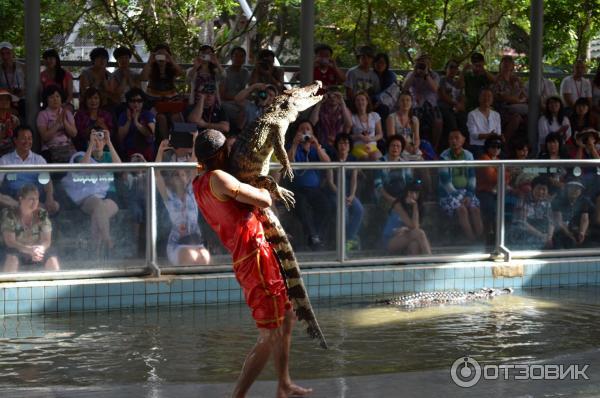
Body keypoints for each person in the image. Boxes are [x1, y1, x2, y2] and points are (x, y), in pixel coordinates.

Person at [192, 129, 312, 398]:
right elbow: (265, 199)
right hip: (254, 257)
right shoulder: (219, 178)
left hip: (257, 253)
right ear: (222, 154)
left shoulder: (198, 182)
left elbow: (201, 158)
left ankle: (284, 383)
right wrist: (261, 178)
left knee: (287, 315)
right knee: (269, 335)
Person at [61, 130, 121, 256]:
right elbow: (83, 168)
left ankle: (95, 254)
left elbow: (120, 167)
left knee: (98, 214)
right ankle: (108, 240)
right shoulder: (81, 155)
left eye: (100, 139)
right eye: (94, 139)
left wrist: (109, 143)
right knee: (98, 206)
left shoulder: (109, 155)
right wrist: (90, 145)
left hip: (110, 195)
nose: (97, 142)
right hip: (88, 196)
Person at [155, 139, 210, 266]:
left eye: (184, 174)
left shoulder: (192, 191)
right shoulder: (169, 196)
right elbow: (157, 173)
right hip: (178, 243)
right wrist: (160, 151)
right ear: (171, 180)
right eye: (176, 175)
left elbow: (194, 165)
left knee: (205, 259)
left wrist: (195, 140)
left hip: (196, 241)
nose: (181, 176)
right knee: (188, 256)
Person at [287, 120, 333, 249]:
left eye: (308, 129)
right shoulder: (292, 146)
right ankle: (312, 236)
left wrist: (317, 145)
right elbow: (288, 162)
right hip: (297, 189)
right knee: (302, 205)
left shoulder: (315, 148)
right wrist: (295, 144)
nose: (305, 131)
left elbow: (328, 162)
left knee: (326, 206)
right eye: (302, 129)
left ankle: (318, 235)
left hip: (314, 189)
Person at [0, 126, 60, 214]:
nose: (27, 142)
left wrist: (49, 198)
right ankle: (30, 209)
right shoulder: (4, 160)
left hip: (35, 201)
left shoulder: (39, 160)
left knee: (55, 206)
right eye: (24, 138)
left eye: (30, 138)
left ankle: (34, 209)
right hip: (14, 203)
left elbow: (47, 182)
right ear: (15, 140)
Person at [1, 183, 59, 272]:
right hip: (18, 249)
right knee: (11, 259)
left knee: (52, 260)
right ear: (21, 199)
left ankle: (56, 284)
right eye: (31, 199)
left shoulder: (41, 213)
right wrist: (28, 250)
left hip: (37, 250)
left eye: (36, 199)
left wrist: (40, 249)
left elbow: (47, 240)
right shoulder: (10, 214)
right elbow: (10, 242)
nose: (35, 202)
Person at [438, 129, 483, 242]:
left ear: (463, 140)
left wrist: (469, 194)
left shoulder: (469, 155)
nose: (453, 141)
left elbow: (472, 177)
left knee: (475, 210)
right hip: (448, 194)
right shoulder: (444, 156)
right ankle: (471, 240)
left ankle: (481, 239)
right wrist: (459, 196)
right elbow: (445, 181)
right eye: (451, 138)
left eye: (457, 138)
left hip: (466, 192)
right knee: (461, 210)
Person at [325, 133, 364, 251]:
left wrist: (352, 195)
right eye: (341, 143)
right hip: (335, 193)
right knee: (344, 213)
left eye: (346, 143)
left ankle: (349, 239)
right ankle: (343, 242)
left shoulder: (353, 159)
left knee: (359, 209)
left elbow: (354, 180)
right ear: (337, 145)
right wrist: (342, 195)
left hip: (348, 194)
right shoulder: (331, 158)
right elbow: (330, 182)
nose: (344, 146)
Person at [403, 54, 443, 151]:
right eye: (419, 62)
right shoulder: (411, 74)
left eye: (424, 62)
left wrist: (426, 75)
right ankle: (414, 145)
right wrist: (414, 72)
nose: (422, 64)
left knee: (438, 121)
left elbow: (435, 89)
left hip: (431, 105)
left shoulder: (434, 75)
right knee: (413, 120)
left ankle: (434, 147)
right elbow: (404, 87)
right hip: (415, 105)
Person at [381, 179, 432, 255]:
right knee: (420, 233)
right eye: (411, 192)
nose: (414, 195)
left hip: (405, 235)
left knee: (414, 245)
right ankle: (431, 261)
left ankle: (416, 266)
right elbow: (414, 227)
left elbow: (415, 227)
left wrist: (415, 207)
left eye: (416, 193)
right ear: (406, 192)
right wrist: (415, 206)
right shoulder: (398, 205)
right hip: (391, 238)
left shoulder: (418, 207)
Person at [509, 175, 554, 249]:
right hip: (521, 237)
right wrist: (541, 235)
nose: (540, 192)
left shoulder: (546, 202)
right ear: (532, 188)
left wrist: (549, 237)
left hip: (541, 236)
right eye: (538, 188)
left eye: (544, 189)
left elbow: (551, 222)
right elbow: (521, 223)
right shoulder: (523, 200)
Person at [36, 85, 77, 163]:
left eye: (57, 96)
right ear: (46, 99)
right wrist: (57, 124)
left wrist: (64, 121)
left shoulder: (67, 113)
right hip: (50, 149)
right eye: (51, 97)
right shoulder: (42, 114)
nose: (55, 99)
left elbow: (74, 133)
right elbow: (44, 137)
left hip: (68, 148)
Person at [492, 55, 527, 143]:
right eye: (505, 63)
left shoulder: (515, 80)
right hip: (501, 109)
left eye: (509, 63)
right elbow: (502, 97)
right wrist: (518, 100)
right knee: (516, 118)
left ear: (512, 66)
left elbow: (524, 94)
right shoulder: (497, 80)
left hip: (517, 107)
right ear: (500, 66)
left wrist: (519, 99)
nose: (507, 65)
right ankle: (504, 143)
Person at [117, 88, 156, 161]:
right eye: (132, 101)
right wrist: (129, 121)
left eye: (139, 101)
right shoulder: (124, 115)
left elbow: (151, 133)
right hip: (128, 152)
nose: (136, 104)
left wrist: (136, 123)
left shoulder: (148, 114)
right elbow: (120, 137)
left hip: (146, 152)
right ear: (128, 102)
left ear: (143, 102)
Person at [309, 86, 352, 153]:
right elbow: (312, 123)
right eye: (329, 96)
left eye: (336, 96)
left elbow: (349, 124)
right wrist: (320, 102)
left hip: (339, 145)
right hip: (322, 144)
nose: (333, 98)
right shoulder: (320, 109)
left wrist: (342, 101)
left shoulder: (344, 110)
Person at [374, 135, 413, 207]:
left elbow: (409, 182)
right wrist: (391, 199)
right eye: (393, 145)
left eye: (398, 146)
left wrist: (407, 197)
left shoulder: (405, 163)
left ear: (401, 149)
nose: (395, 148)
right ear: (388, 147)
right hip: (384, 197)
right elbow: (378, 185)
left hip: (401, 196)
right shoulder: (379, 162)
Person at [552, 179, 592, 248]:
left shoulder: (584, 201)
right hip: (561, 232)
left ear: (581, 191)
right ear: (567, 189)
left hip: (577, 231)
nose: (575, 190)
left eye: (577, 188)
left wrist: (582, 232)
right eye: (572, 187)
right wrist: (570, 235)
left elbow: (585, 219)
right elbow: (559, 222)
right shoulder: (558, 200)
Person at [220, 46, 250, 133]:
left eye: (241, 56)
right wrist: (237, 98)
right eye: (236, 56)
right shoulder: (225, 73)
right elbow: (222, 94)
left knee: (251, 108)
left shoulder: (246, 73)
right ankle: (236, 132)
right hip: (228, 102)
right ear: (231, 57)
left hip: (242, 102)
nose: (238, 58)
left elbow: (250, 91)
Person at [74, 87, 114, 151]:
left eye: (96, 98)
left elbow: (111, 135)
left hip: (103, 147)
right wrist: (93, 125)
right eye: (90, 98)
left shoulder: (106, 114)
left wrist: (103, 125)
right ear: (85, 100)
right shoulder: (79, 115)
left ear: (100, 100)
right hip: (84, 147)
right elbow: (79, 135)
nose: (93, 101)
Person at [467, 87, 502, 157]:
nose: (486, 98)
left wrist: (499, 136)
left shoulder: (496, 115)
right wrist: (488, 135)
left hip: (493, 146)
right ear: (479, 98)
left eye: (489, 96)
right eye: (484, 96)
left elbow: (498, 132)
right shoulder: (472, 114)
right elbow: (473, 135)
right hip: (478, 146)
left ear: (492, 99)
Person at [350, 91, 383, 160]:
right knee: (365, 158)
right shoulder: (352, 117)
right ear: (355, 103)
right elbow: (348, 136)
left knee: (378, 157)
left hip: (372, 145)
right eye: (357, 100)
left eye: (362, 100)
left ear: (367, 101)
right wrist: (359, 136)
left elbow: (380, 134)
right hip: (358, 146)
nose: (360, 102)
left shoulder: (374, 115)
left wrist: (371, 138)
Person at [438, 59, 466, 140]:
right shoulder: (442, 79)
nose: (453, 69)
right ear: (446, 68)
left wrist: (460, 105)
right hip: (444, 107)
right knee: (452, 123)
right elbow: (442, 95)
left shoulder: (456, 82)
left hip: (455, 108)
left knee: (464, 119)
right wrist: (455, 104)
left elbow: (462, 95)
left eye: (456, 68)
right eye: (451, 67)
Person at [0, 42, 25, 115]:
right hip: (5, 100)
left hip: (22, 99)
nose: (5, 56)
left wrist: (22, 92)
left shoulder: (23, 67)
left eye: (8, 53)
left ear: (13, 53)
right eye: (2, 54)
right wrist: (8, 92)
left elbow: (30, 84)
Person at [0, 88, 19, 157]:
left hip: (11, 152)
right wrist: (4, 133)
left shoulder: (14, 119)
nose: (4, 101)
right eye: (1, 99)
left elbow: (18, 138)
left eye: (7, 99)